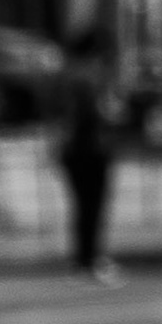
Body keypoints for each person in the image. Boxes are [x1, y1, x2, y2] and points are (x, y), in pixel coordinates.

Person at [54, 37, 124, 281]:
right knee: (92, 207)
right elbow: (101, 113)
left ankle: (82, 259)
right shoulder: (90, 79)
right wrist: (115, 113)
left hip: (73, 151)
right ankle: (90, 259)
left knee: (82, 207)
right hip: (91, 151)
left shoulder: (66, 77)